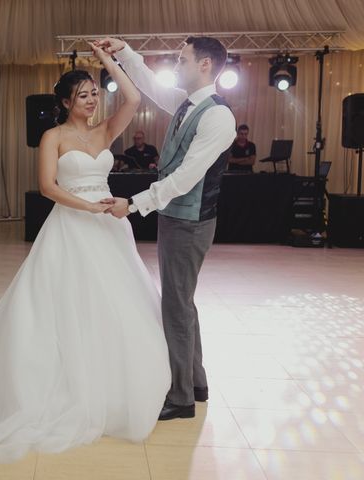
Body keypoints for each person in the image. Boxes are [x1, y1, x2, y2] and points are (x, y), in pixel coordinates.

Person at [0, 43, 170, 463]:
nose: (93, 99)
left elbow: (133, 97)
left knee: (115, 302)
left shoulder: (105, 132)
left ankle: (113, 384)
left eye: (95, 93)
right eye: (83, 95)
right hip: (73, 225)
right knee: (62, 304)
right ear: (65, 103)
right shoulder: (54, 137)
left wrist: (107, 62)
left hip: (109, 230)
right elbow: (48, 187)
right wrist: (89, 207)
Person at [95, 36, 236, 420]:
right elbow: (149, 83)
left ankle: (181, 397)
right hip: (177, 219)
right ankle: (197, 382)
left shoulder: (217, 116)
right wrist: (123, 52)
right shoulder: (186, 104)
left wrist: (134, 204)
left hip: (190, 223)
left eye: (183, 58)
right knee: (182, 301)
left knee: (175, 306)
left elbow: (185, 179)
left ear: (205, 64)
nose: (177, 63)